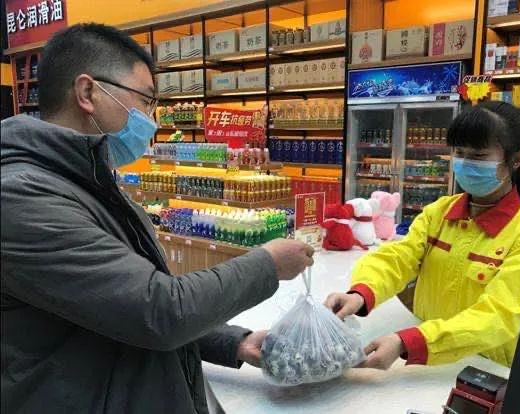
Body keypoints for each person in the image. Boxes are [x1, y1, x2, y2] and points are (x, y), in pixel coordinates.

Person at [1, 23, 314, 414]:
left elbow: (117, 307)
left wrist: (232, 342)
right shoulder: (21, 198)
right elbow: (158, 311)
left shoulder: (89, 180)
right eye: (146, 100)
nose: (152, 119)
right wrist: (268, 264)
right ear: (87, 93)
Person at [326, 102, 520, 370]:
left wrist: (411, 342)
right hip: (424, 360)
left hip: (481, 369)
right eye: (459, 153)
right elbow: (399, 257)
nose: (465, 163)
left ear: (516, 160)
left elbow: (498, 316)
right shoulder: (439, 213)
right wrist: (361, 293)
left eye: (478, 156)